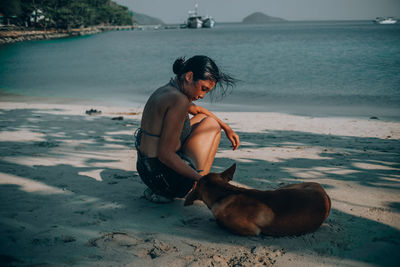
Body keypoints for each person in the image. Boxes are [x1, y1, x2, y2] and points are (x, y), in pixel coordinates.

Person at [135, 55, 240, 203]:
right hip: (166, 181)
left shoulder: (167, 90)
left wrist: (226, 127)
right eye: (203, 89)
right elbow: (165, 155)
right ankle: (198, 187)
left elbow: (197, 110)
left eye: (207, 91)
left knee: (207, 120)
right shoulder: (178, 100)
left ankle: (186, 185)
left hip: (147, 173)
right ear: (189, 76)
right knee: (212, 126)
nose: (203, 95)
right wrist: (204, 180)